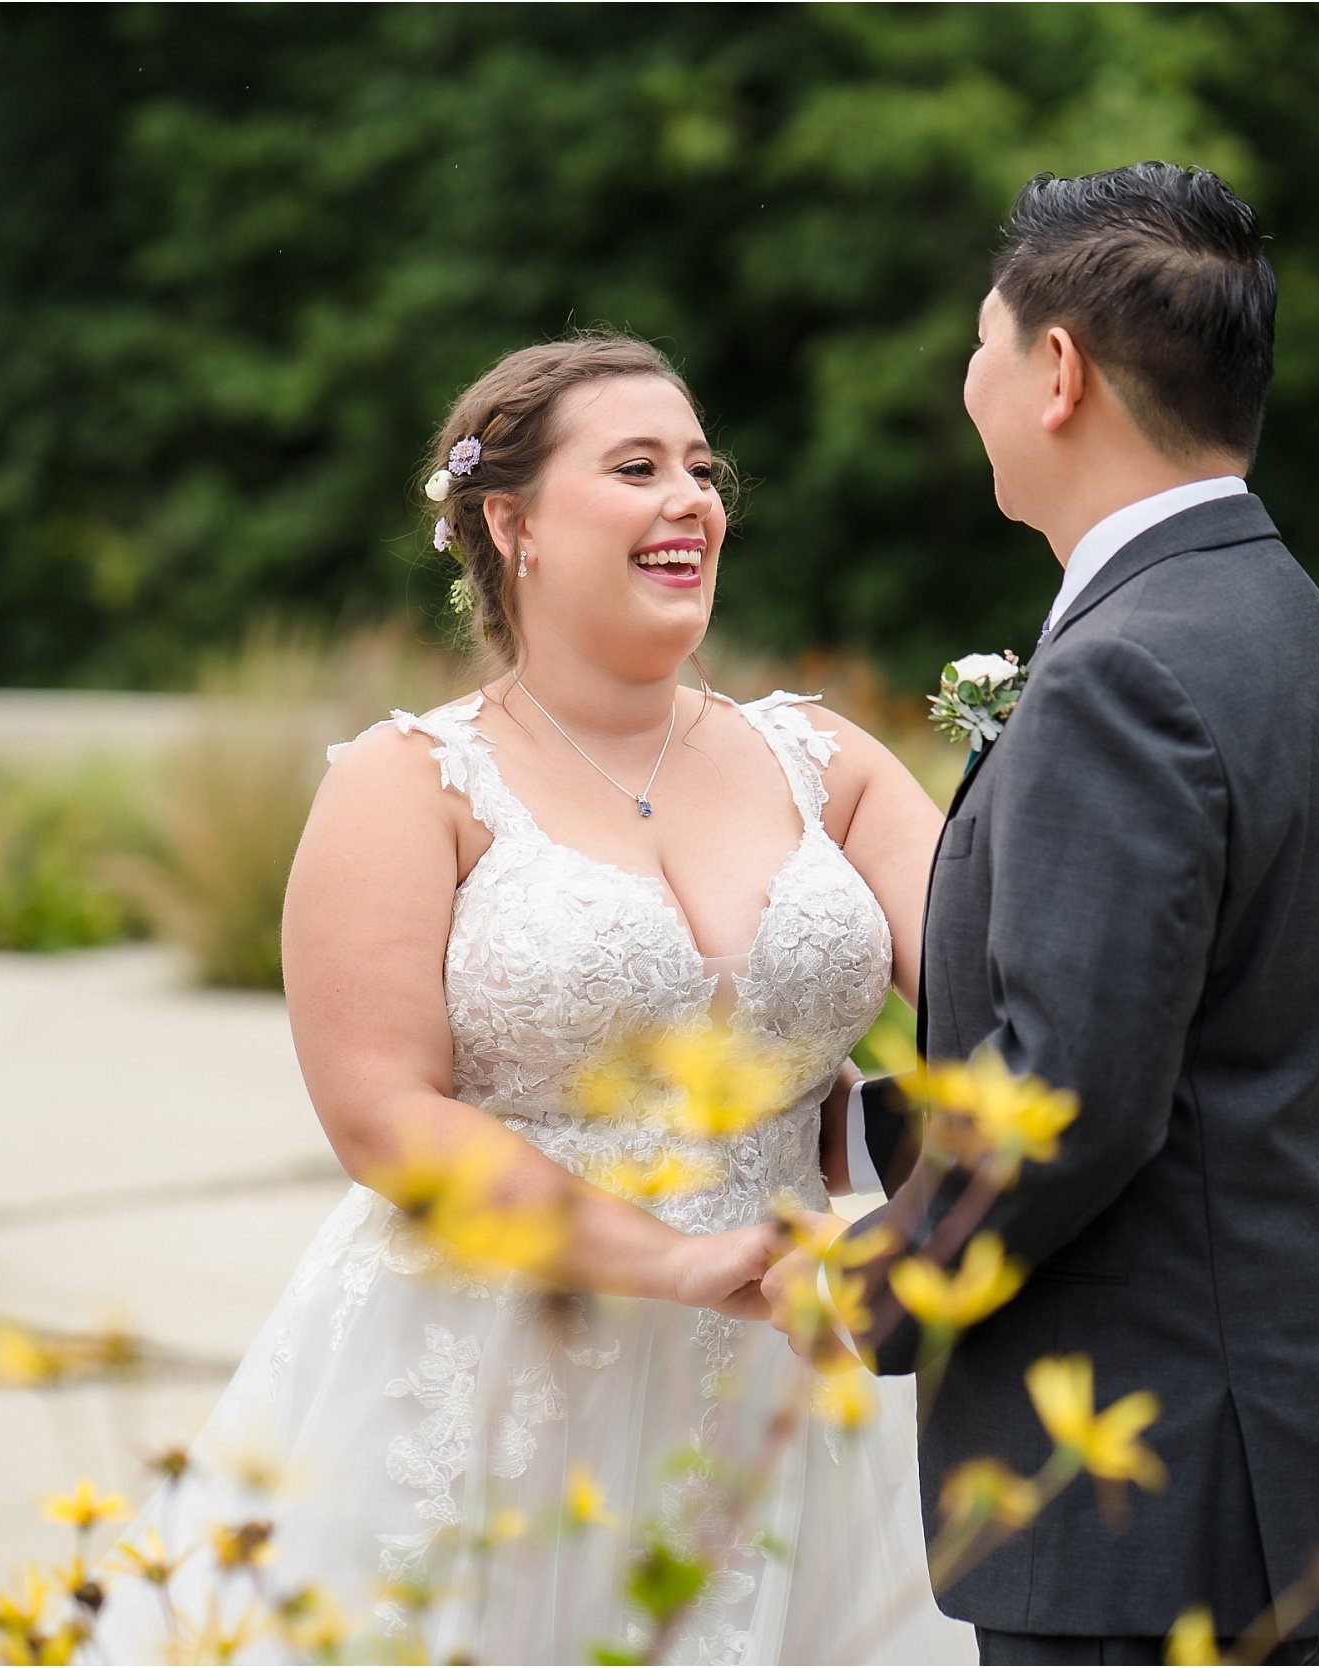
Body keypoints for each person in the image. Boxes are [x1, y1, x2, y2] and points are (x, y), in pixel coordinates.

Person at [91, 335, 970, 1664]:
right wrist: (670, 1261)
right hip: (490, 1362)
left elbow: (1006, 994)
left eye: (700, 467)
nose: (690, 498)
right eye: (636, 467)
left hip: (778, 1369)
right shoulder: (409, 784)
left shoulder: (830, 764)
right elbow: (384, 1115)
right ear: (513, 524)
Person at [767, 162, 1319, 1667]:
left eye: (983, 345)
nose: (969, 382)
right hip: (1256, 1435)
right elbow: (1206, 1044)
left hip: (1147, 1467)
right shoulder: (1281, 622)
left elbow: (1076, 1097)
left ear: (1057, 371)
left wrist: (868, 1285)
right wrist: (874, 1133)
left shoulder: (1126, 669)